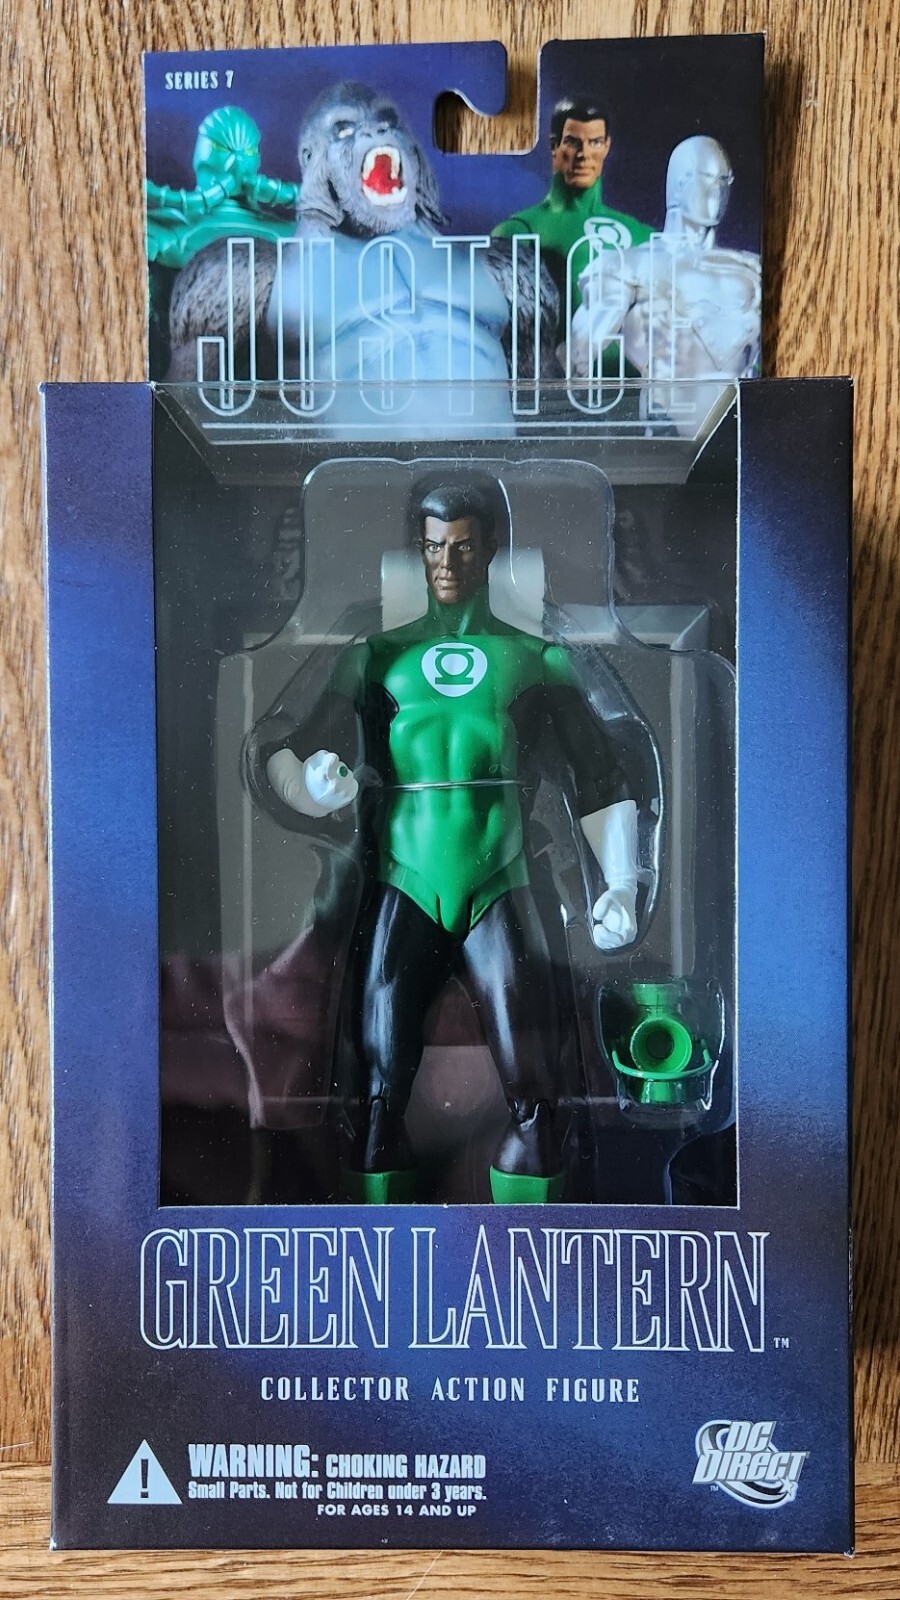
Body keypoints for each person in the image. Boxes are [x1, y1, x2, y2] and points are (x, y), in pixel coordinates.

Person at [251, 482, 642, 1203]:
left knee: (539, 1101)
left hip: (503, 885)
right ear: (418, 550)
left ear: (489, 548)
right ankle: (379, 1252)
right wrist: (310, 787)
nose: (447, 563)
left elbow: (601, 774)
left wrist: (621, 881)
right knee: (375, 1103)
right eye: (434, 548)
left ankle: (530, 1252)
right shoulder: (375, 658)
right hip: (404, 884)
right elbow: (284, 748)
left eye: (462, 546)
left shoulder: (536, 659)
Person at [569, 136, 761, 427]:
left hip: (742, 428)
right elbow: (579, 352)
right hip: (663, 432)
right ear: (682, 183)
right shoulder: (628, 265)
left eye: (725, 181)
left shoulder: (752, 268)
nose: (719, 191)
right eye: (709, 180)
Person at [493, 97, 652, 325]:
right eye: (572, 142)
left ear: (606, 146)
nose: (583, 154)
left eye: (595, 142)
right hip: (557, 347)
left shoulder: (641, 233)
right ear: (554, 146)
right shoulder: (520, 230)